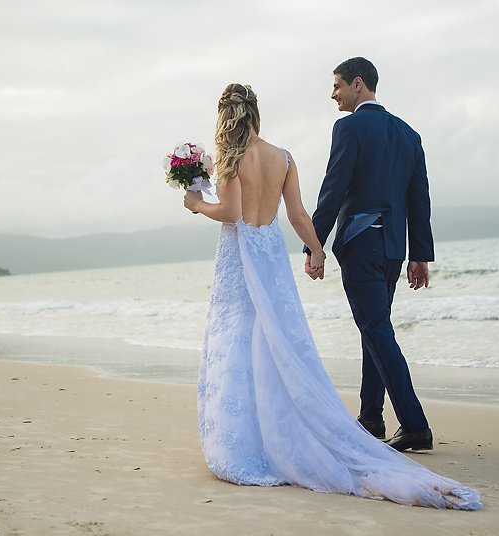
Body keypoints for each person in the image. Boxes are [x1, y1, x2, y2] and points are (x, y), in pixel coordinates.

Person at [182, 83, 481, 510]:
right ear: (255, 113)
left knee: (238, 340)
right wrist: (318, 249)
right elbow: (299, 214)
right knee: (278, 343)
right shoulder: (282, 157)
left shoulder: (232, 158)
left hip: (241, 259)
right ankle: (312, 424)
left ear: (225, 117)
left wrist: (196, 204)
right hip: (271, 260)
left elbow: (229, 214)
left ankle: (247, 440)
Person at [304, 57, 434, 453]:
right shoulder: (409, 134)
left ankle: (414, 424)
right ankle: (372, 418)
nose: (333, 95)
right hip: (394, 248)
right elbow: (419, 200)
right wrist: (419, 254)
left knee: (376, 330)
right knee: (374, 329)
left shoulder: (349, 127)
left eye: (337, 86)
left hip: (362, 243)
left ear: (358, 84)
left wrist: (315, 244)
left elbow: (333, 188)